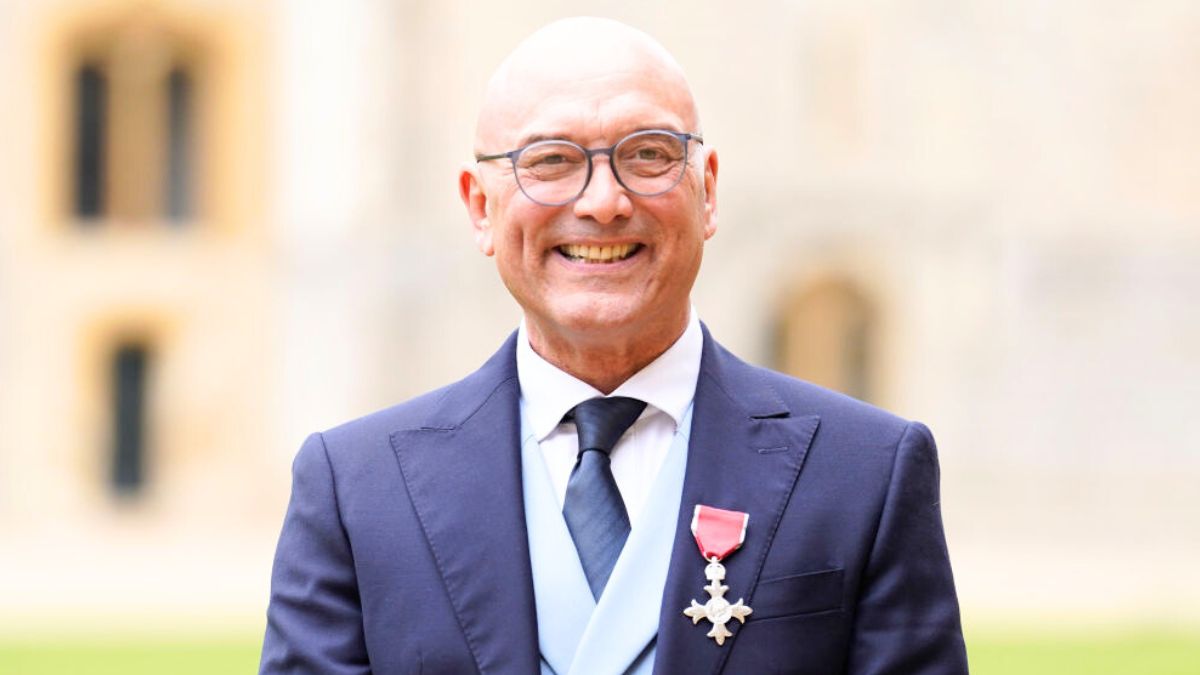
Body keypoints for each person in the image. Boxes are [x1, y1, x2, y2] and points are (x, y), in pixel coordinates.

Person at [260, 17, 967, 675]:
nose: (603, 200)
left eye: (648, 154)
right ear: (481, 206)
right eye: (551, 160)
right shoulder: (355, 491)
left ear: (708, 191)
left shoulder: (866, 474)